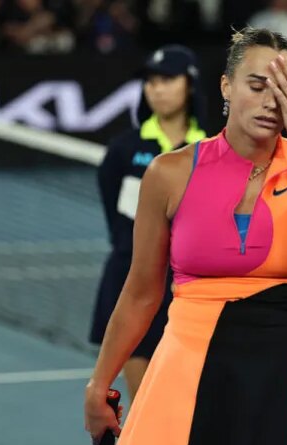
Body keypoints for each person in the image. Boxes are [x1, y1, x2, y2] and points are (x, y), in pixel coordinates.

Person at [84, 26, 287, 445]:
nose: (271, 101)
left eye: (285, 89)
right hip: (187, 371)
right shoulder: (169, 174)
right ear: (226, 86)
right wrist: (99, 382)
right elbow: (141, 292)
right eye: (256, 86)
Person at [89, 44, 206, 403]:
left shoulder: (212, 147)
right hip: (134, 280)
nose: (157, 88)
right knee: (146, 402)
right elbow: (115, 215)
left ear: (189, 85)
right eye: (150, 81)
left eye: (167, 79)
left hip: (192, 289)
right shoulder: (124, 149)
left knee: (190, 402)